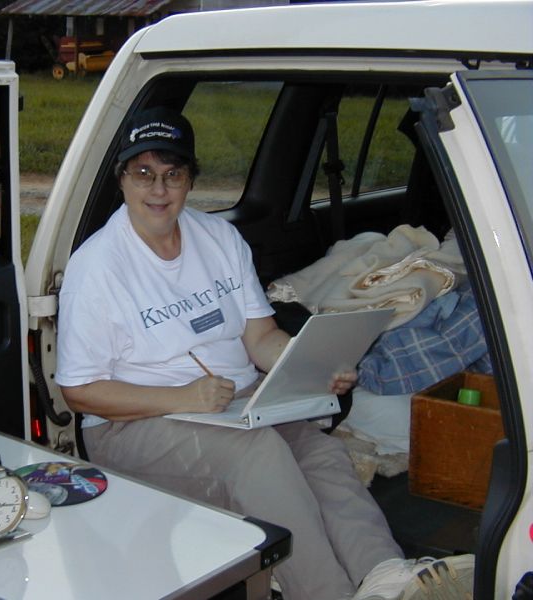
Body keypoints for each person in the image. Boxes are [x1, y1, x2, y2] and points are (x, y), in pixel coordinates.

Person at [54, 107, 463, 599]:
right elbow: (79, 391)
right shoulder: (97, 267)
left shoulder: (219, 238)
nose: (158, 191)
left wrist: (311, 364)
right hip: (134, 423)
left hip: (234, 405)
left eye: (172, 174)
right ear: (122, 179)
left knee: (322, 452)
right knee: (260, 456)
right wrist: (181, 399)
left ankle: (384, 576)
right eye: (143, 174)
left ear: (189, 180)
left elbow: (261, 338)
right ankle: (324, 592)